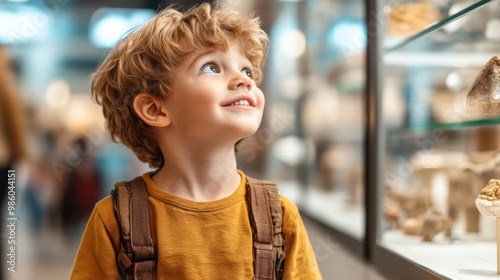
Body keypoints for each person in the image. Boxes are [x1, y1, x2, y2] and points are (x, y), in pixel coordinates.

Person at [70, 3, 321, 279]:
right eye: (212, 67)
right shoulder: (115, 220)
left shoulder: (280, 218)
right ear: (156, 109)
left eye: (248, 71)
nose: (243, 81)